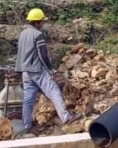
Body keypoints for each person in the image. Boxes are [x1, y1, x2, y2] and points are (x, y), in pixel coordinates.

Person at [15, 8, 83, 137]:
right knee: (54, 91)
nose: (43, 24)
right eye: (42, 21)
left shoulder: (23, 33)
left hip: (25, 71)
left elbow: (20, 52)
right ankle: (66, 117)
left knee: (28, 98)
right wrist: (50, 70)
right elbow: (42, 55)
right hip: (37, 70)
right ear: (37, 22)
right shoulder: (37, 35)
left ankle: (26, 125)